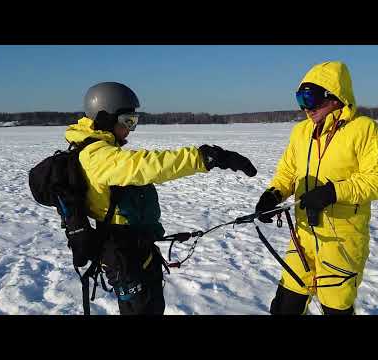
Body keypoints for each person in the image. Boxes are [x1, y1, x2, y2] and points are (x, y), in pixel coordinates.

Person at [65, 81, 257, 315]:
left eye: (134, 122)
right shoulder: (98, 155)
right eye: (127, 121)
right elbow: (148, 165)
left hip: (133, 245)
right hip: (122, 249)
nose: (130, 130)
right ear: (105, 117)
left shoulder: (100, 150)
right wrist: (205, 157)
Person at [255, 61, 378, 315]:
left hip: (341, 239)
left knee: (336, 309)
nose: (305, 108)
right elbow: (288, 171)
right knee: (285, 306)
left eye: (310, 98)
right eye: (300, 99)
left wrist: (333, 192)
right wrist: (273, 194)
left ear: (334, 96)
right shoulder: (301, 132)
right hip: (302, 237)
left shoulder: (365, 130)